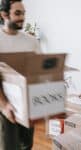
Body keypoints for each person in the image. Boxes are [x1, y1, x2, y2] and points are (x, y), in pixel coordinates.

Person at [0, 0, 40, 149]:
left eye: (23, 13)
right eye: (17, 13)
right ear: (4, 14)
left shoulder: (32, 41)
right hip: (5, 105)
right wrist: (4, 106)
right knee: (9, 146)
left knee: (27, 145)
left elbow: (38, 73)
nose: (22, 17)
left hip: (27, 104)